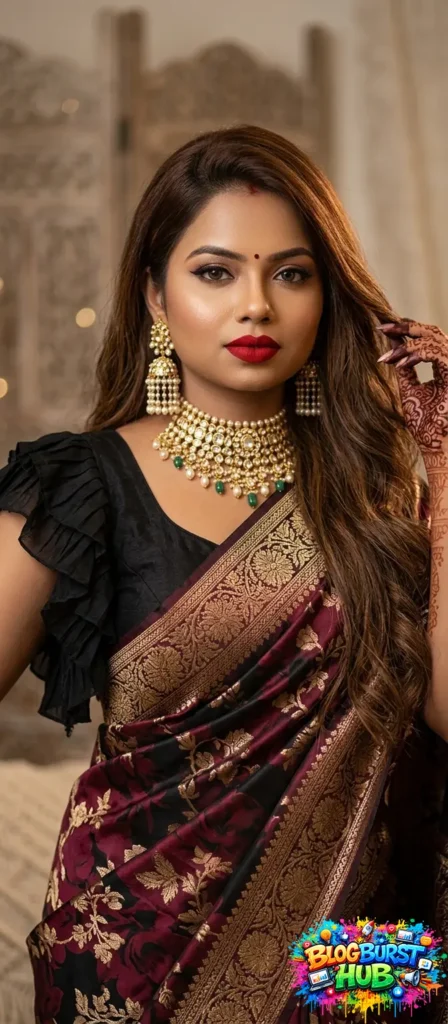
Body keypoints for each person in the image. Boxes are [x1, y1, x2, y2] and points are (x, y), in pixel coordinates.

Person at [0, 124, 447, 1024]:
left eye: (291, 273)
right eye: (215, 272)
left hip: (358, 958)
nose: (257, 306)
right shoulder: (81, 489)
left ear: (327, 296)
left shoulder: (386, 487)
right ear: (156, 297)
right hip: (133, 953)